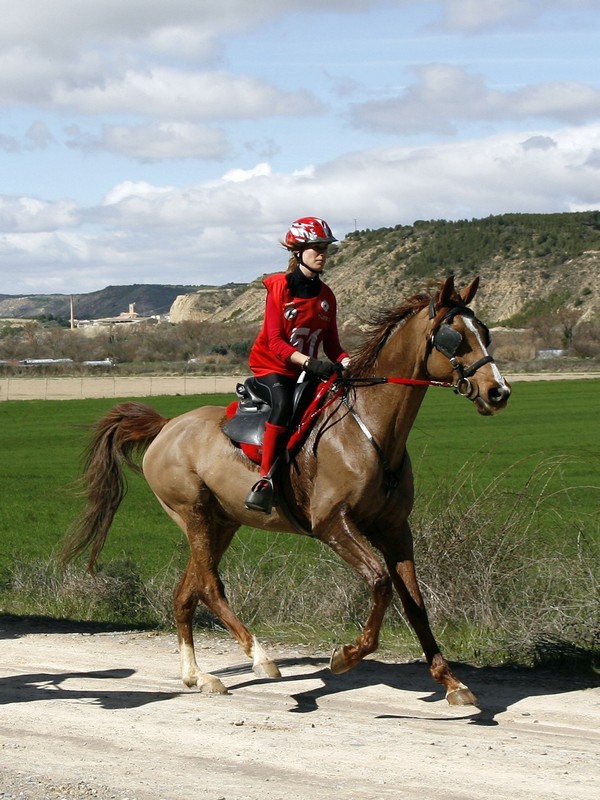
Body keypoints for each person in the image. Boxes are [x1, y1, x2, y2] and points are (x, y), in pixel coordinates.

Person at [244, 216, 350, 513]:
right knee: (283, 405)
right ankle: (265, 480)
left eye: (325, 248)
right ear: (297, 251)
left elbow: (333, 346)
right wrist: (310, 364)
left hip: (306, 369)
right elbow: (276, 342)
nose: (322, 254)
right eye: (315, 248)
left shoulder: (326, 295)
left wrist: (347, 362)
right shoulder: (280, 287)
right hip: (271, 368)